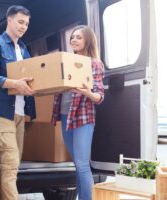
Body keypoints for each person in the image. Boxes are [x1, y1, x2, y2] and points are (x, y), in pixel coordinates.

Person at [0, 5, 36, 200]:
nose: (24, 27)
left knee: (12, 164)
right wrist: (14, 83)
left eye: (27, 24)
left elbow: (32, 76)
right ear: (9, 20)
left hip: (20, 111)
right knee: (11, 162)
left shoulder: (23, 48)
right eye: (20, 22)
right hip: (1, 111)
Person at [51, 25, 105, 200]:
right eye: (72, 37)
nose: (73, 40)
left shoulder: (94, 63)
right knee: (77, 164)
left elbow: (99, 96)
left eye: (78, 37)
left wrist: (86, 92)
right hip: (67, 117)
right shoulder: (65, 62)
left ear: (87, 40)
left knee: (82, 165)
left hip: (83, 118)